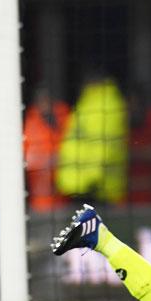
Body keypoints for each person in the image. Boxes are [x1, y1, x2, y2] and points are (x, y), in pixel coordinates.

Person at [56, 71, 128, 205]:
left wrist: (93, 179)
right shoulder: (88, 101)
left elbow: (104, 144)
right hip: (80, 185)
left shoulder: (106, 104)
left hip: (95, 189)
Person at [22, 86, 71, 212]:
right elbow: (27, 159)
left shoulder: (64, 115)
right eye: (42, 101)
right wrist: (48, 160)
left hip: (64, 196)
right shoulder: (31, 123)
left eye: (48, 101)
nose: (46, 104)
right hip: (41, 199)